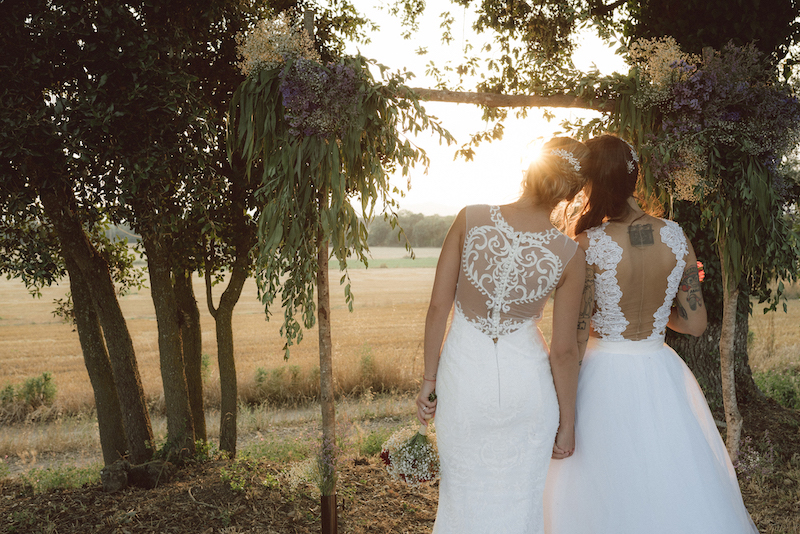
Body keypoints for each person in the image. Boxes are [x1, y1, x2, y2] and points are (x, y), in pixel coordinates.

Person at [543, 134, 759, 534]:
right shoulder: (676, 237)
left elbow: (573, 336)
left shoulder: (586, 244)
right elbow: (695, 324)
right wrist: (658, 318)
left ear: (592, 184)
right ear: (633, 178)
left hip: (600, 374)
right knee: (667, 478)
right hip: (659, 369)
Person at [415, 137, 589, 534]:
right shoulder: (569, 254)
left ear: (528, 171)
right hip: (528, 391)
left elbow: (438, 309)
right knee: (521, 506)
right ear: (573, 192)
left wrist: (429, 381)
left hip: (463, 382)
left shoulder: (470, 218)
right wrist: (568, 422)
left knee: (462, 499)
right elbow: (563, 351)